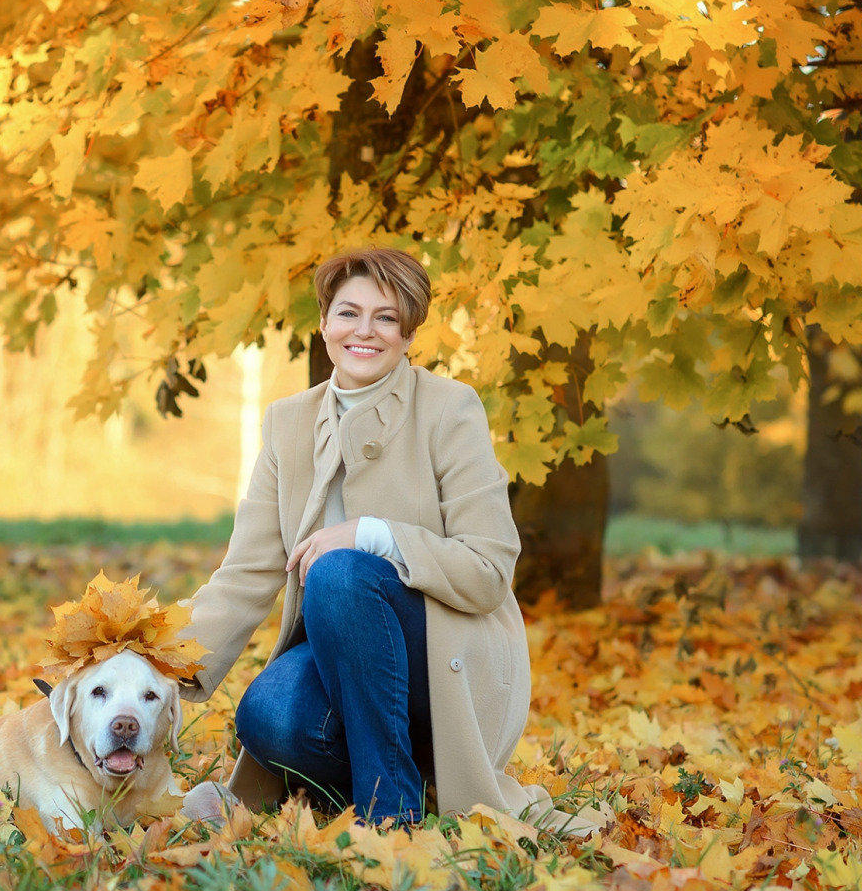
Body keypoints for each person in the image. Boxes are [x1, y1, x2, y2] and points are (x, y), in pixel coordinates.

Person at [179, 246, 570, 827]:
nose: (364, 331)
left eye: (385, 317)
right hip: (341, 655)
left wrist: (373, 534)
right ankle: (367, 778)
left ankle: (390, 814)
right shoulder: (288, 422)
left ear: (409, 334)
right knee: (269, 716)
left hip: (440, 658)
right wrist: (150, 659)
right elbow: (246, 574)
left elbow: (488, 570)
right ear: (324, 323)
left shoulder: (449, 409)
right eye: (348, 313)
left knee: (341, 572)